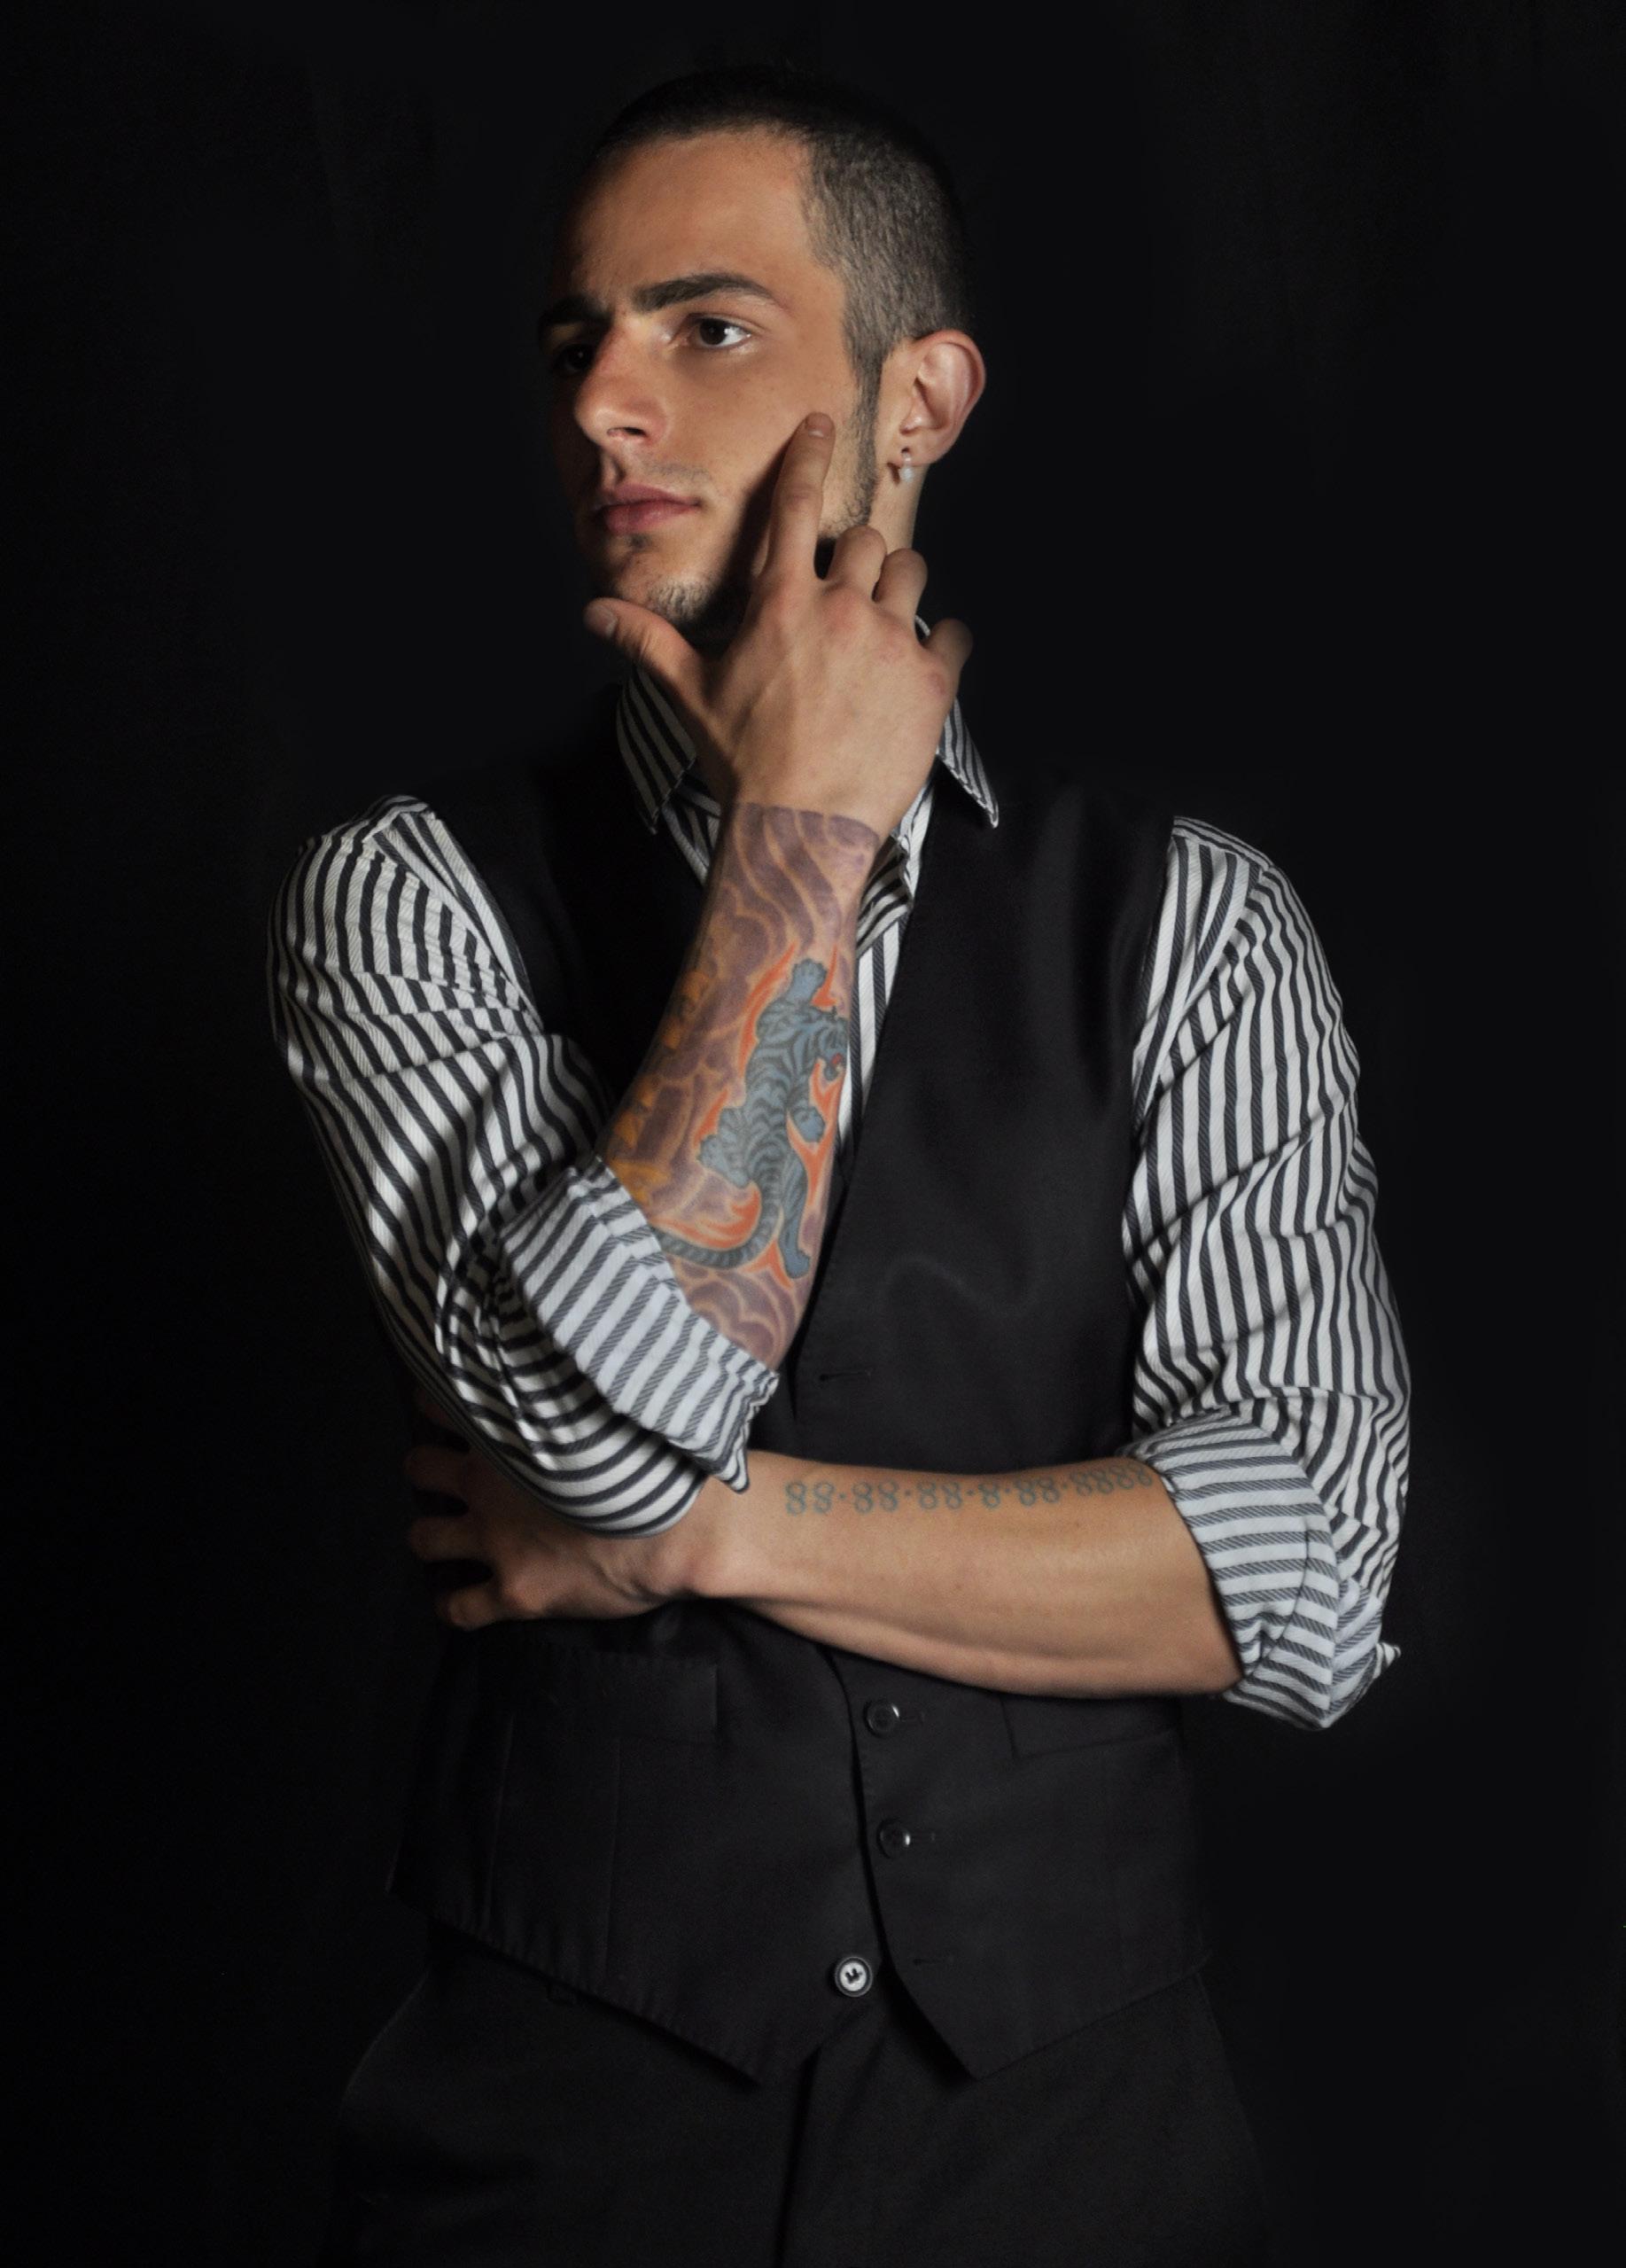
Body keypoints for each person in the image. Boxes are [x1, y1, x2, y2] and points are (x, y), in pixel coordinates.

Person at [267, 60, 1410, 2268]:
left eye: (705, 326)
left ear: (922, 400)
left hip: (1091, 2165)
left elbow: (1303, 1578)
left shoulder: (1193, 924)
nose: (603, 402)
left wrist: (704, 1535)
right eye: (575, 340)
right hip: (564, 2176)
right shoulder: (406, 897)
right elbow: (605, 1436)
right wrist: (801, 840)